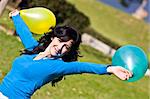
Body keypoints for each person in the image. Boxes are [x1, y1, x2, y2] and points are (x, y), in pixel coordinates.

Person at [0, 10, 132, 99]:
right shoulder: (34, 49)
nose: (60, 47)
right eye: (60, 41)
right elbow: (25, 34)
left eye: (66, 47)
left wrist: (110, 69)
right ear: (53, 38)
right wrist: (16, 16)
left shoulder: (58, 66)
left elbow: (83, 67)